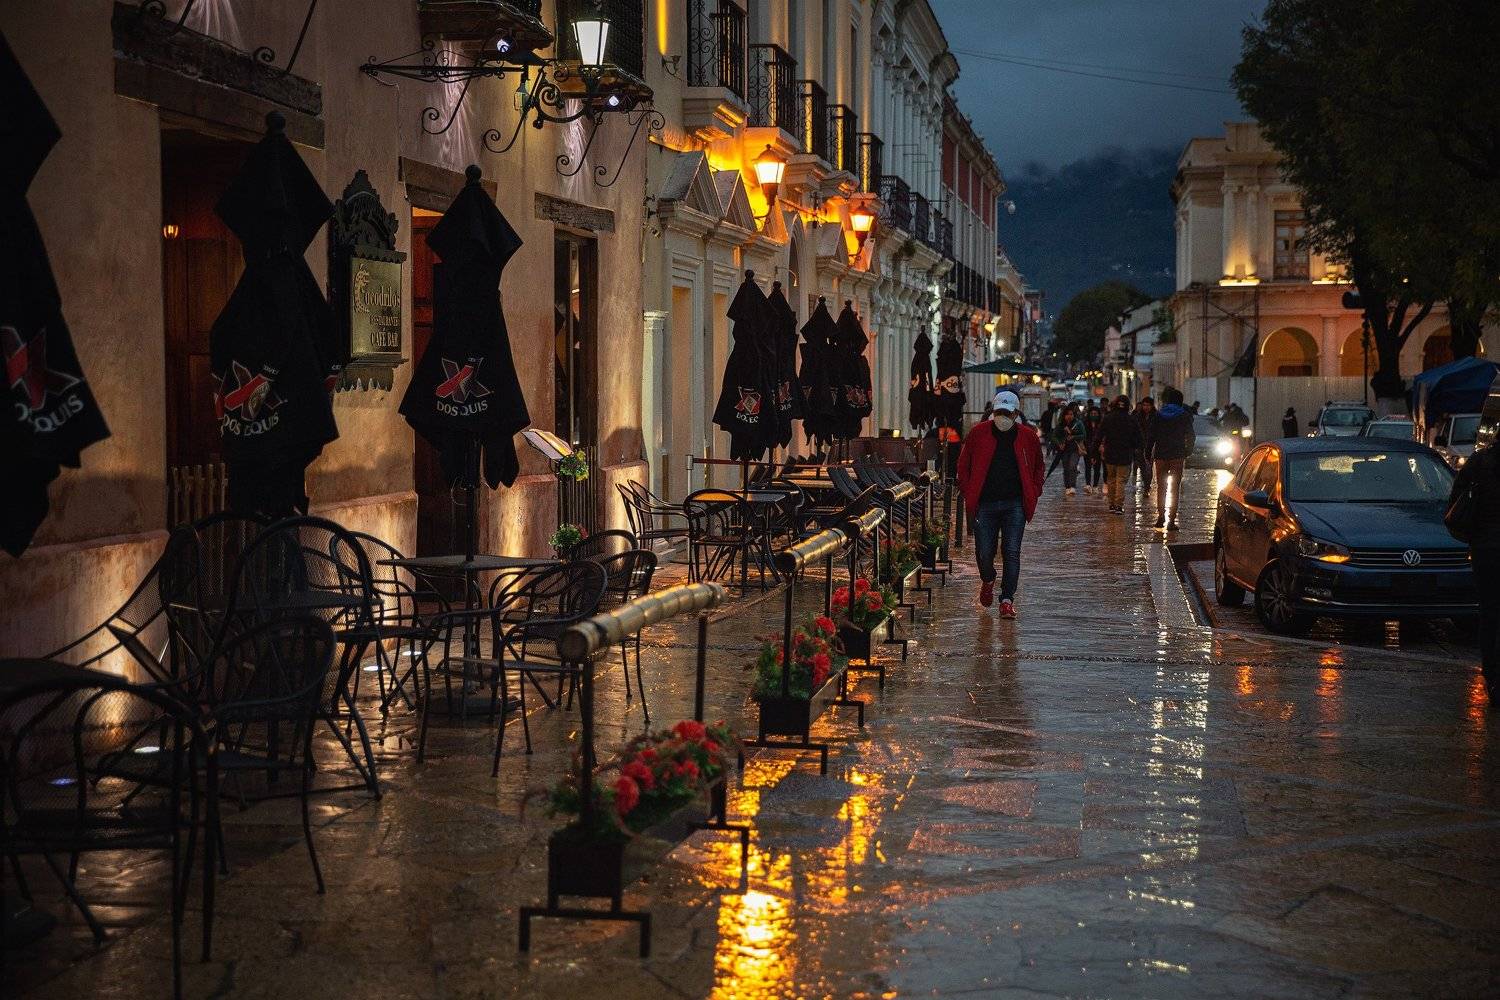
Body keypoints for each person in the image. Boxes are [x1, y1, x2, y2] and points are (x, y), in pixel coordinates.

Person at [956, 389, 1045, 617]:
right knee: (984, 552)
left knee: (1012, 551)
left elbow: (1038, 466)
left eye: (1007, 413)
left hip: (1014, 504)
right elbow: (963, 465)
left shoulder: (1028, 437)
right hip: (985, 504)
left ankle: (1007, 599)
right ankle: (988, 579)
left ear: (1015, 414)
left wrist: (1034, 490)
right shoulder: (978, 433)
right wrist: (968, 491)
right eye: (999, 412)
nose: (1002, 417)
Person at [1449, 439, 1500, 704]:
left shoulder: (1480, 462)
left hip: (1486, 548)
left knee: (1489, 612)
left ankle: (1492, 676)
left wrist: (1474, 536)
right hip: (1486, 545)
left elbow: (1457, 500)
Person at [1152, 387, 1196, 531]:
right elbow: (1191, 435)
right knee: (1175, 488)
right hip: (1177, 455)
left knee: (1161, 487)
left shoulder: (1158, 415)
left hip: (1161, 455)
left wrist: (1148, 452)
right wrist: (1187, 451)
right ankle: (1171, 520)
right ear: (1180, 401)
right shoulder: (1184, 415)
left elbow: (1152, 435)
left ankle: (1160, 517)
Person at [1099, 394, 1143, 514]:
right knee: (1121, 480)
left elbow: (1099, 435)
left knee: (1111, 479)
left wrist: (1094, 452)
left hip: (1110, 453)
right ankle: (1118, 505)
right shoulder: (1131, 419)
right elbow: (1139, 438)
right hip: (1125, 453)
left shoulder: (1108, 418)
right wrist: (1136, 448)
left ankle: (1112, 504)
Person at [1051, 406, 1086, 496]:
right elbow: (1054, 436)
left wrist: (1074, 437)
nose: (1069, 416)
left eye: (1071, 414)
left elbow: (1084, 435)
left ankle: (1073, 486)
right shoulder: (1060, 425)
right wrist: (1059, 443)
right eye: (1067, 414)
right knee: (1066, 468)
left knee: (1073, 466)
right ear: (1064, 415)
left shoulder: (1078, 423)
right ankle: (1067, 487)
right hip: (1064, 450)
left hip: (1075, 449)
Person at [1134, 396, 1158, 496]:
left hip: (1151, 445)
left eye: (1148, 405)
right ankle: (1146, 485)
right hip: (1140, 445)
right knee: (1142, 467)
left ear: (1152, 406)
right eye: (1144, 405)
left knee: (1149, 466)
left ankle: (1147, 487)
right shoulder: (1138, 416)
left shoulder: (1156, 416)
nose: (1146, 407)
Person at [1082, 404, 1105, 494]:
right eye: (1092, 413)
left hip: (1097, 449)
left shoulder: (1101, 424)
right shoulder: (1085, 424)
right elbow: (1084, 436)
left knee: (1097, 468)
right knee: (1088, 467)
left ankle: (1095, 485)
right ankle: (1088, 484)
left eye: (1095, 413)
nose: (1093, 415)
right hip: (1087, 448)